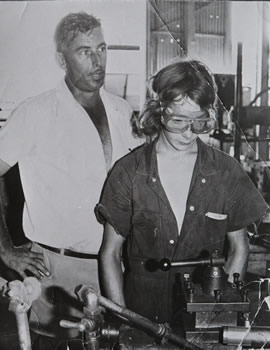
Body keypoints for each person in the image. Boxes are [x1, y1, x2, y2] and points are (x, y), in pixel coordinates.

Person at [0, 11, 139, 342]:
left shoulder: (122, 112)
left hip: (116, 268)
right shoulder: (35, 113)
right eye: (84, 51)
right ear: (61, 59)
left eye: (102, 49)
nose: (97, 60)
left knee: (112, 343)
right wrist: (5, 250)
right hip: (56, 272)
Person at [96, 60, 269, 325]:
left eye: (198, 123)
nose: (188, 133)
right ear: (159, 112)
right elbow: (110, 253)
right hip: (143, 310)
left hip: (203, 317)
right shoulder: (129, 172)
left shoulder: (226, 172)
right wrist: (125, 322)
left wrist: (216, 313)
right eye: (178, 121)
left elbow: (239, 248)